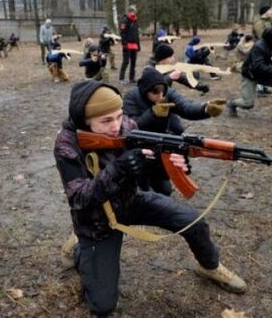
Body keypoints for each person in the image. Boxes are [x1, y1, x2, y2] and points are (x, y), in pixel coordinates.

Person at [54, 80, 245, 316]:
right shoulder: (67, 143)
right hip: (95, 219)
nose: (116, 126)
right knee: (103, 305)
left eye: (118, 116)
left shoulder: (127, 125)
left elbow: (151, 166)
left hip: (131, 199)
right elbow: (79, 199)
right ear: (85, 119)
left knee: (192, 220)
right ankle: (79, 249)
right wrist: (118, 169)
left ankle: (210, 266)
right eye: (106, 121)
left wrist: (174, 163)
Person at [123, 67, 225, 195]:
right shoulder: (131, 97)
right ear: (145, 90)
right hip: (139, 147)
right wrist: (152, 113)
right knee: (141, 187)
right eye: (155, 92)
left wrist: (205, 109)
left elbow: (186, 107)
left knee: (165, 190)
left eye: (163, 91)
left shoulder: (167, 94)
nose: (160, 96)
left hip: (160, 144)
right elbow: (130, 127)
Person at [226, 25, 272, 122]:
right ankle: (232, 103)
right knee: (248, 103)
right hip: (251, 75)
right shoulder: (259, 47)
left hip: (263, 74)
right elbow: (259, 66)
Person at [119, 5, 140, 84]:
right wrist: (124, 44)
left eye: (134, 11)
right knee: (126, 61)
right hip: (127, 45)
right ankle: (121, 78)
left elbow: (136, 34)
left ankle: (132, 78)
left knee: (133, 62)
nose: (132, 13)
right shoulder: (125, 20)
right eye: (131, 11)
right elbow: (123, 33)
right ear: (128, 12)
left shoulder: (135, 20)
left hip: (134, 45)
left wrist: (138, 45)